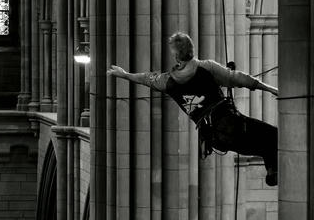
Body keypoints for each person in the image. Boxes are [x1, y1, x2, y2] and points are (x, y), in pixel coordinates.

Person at [108, 31, 278, 185]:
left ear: (176, 57)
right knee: (274, 136)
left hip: (215, 139)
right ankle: (274, 171)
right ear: (192, 50)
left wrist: (125, 75)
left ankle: (272, 171)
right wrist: (271, 89)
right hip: (231, 123)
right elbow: (239, 78)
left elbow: (147, 78)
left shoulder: (168, 81)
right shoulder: (206, 67)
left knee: (265, 146)